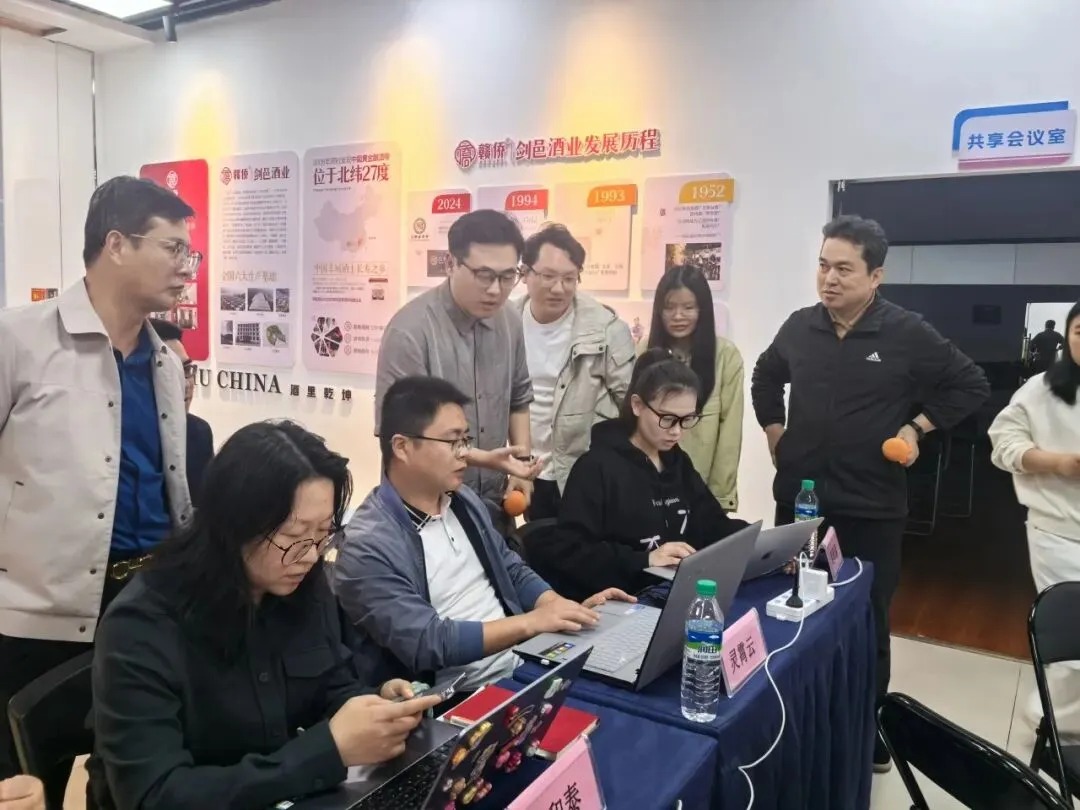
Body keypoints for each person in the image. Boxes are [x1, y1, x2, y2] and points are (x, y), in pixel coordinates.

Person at [90, 421, 441, 810]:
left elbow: (329, 684)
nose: (310, 555)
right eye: (293, 536)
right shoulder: (142, 626)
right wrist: (325, 752)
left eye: (323, 533)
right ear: (233, 523)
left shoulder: (302, 585)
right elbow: (155, 796)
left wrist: (375, 705)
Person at [751, 213, 989, 772]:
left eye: (844, 269)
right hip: (802, 504)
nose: (829, 279)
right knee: (795, 608)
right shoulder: (800, 326)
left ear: (876, 276)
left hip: (872, 506)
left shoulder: (906, 332)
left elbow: (970, 383)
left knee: (867, 619)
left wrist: (917, 427)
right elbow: (765, 375)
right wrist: (775, 432)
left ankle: (870, 728)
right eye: (822, 266)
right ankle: (795, 718)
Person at [0, 177, 198, 805]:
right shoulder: (20, 341)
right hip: (37, 612)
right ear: (116, 244)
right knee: (29, 779)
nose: (186, 268)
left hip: (145, 603)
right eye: (173, 248)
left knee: (127, 771)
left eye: (189, 252)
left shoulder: (163, 359)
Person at [332, 376, 633, 694]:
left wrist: (564, 609)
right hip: (458, 697)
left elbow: (511, 569)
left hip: (523, 663)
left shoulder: (462, 500)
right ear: (402, 447)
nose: (465, 454)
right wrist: (533, 622)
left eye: (466, 440)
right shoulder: (368, 544)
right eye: (453, 442)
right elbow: (428, 642)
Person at [531, 350, 750, 602]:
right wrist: (645, 560)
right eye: (667, 419)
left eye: (687, 419)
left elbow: (713, 524)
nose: (677, 432)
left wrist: (758, 543)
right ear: (637, 405)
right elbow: (571, 551)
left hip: (677, 592)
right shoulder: (595, 468)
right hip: (623, 600)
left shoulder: (678, 463)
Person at [375, 209, 535, 532]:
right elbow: (403, 436)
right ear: (451, 263)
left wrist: (521, 465)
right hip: (425, 506)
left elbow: (519, 399)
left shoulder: (510, 321)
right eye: (484, 275)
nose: (496, 290)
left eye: (508, 276)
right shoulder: (410, 331)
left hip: (493, 506)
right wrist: (484, 458)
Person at [990, 302, 1080, 740]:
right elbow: (1002, 444)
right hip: (1059, 532)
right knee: (1071, 644)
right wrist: (1057, 463)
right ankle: (1054, 730)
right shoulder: (1041, 389)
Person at [516, 224, 635, 519]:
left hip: (586, 472)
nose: (559, 288)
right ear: (525, 273)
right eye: (548, 276)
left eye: (569, 278)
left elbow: (631, 406)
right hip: (526, 471)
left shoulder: (605, 329)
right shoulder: (505, 324)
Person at [645, 264, 745, 511]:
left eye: (688, 307)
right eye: (669, 307)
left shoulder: (725, 356)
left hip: (702, 492)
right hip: (650, 489)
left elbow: (730, 433)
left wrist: (720, 498)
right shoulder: (643, 353)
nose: (678, 316)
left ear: (702, 310)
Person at [149, 319, 214, 508]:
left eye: (186, 369)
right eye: (171, 371)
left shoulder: (198, 432)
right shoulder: (118, 441)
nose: (186, 383)